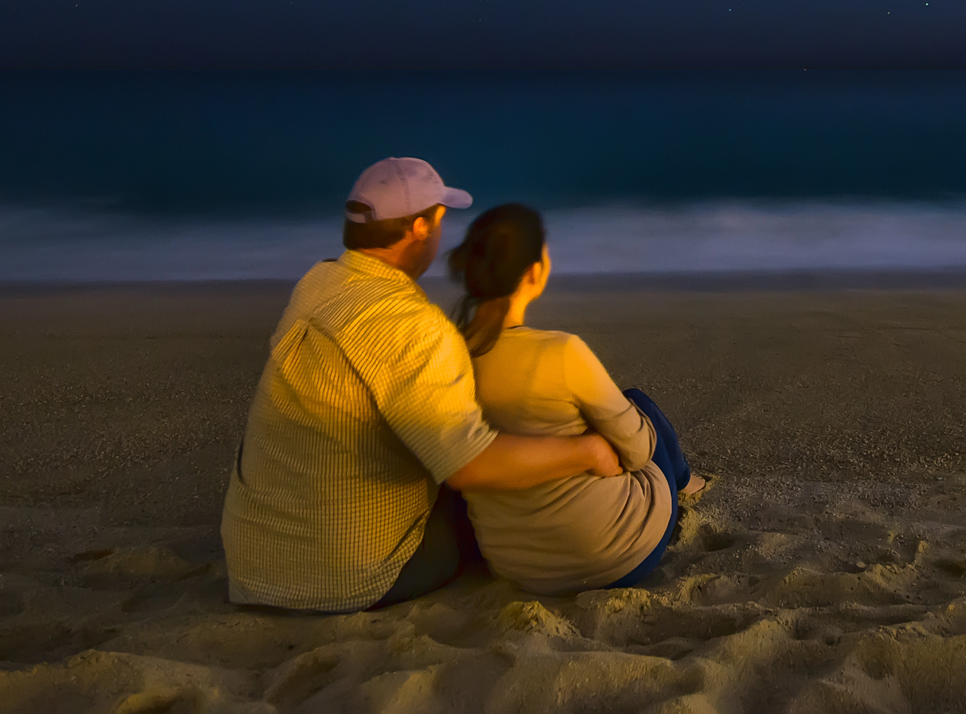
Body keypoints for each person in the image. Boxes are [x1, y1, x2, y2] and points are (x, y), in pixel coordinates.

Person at [221, 158, 623, 612]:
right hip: (344, 576)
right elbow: (468, 466)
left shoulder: (317, 282)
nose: (440, 232)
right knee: (493, 495)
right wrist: (585, 452)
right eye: (438, 220)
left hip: (253, 561)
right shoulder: (415, 327)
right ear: (418, 228)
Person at [449, 204, 707, 595]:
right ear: (535, 271)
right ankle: (687, 482)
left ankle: (686, 481)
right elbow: (638, 453)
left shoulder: (446, 361)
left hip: (517, 567)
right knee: (638, 405)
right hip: (619, 554)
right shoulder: (562, 352)